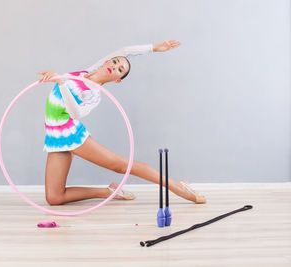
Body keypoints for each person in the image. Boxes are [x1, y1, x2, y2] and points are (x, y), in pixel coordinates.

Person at [38, 40, 206, 205]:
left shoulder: (93, 94)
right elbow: (125, 50)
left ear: (117, 79)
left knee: (120, 166)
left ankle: (179, 187)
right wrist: (154, 48)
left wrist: (61, 83)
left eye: (120, 70)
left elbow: (75, 113)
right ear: (107, 61)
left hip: (69, 133)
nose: (115, 66)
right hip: (53, 135)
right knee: (54, 197)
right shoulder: (82, 74)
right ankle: (108, 192)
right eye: (115, 61)